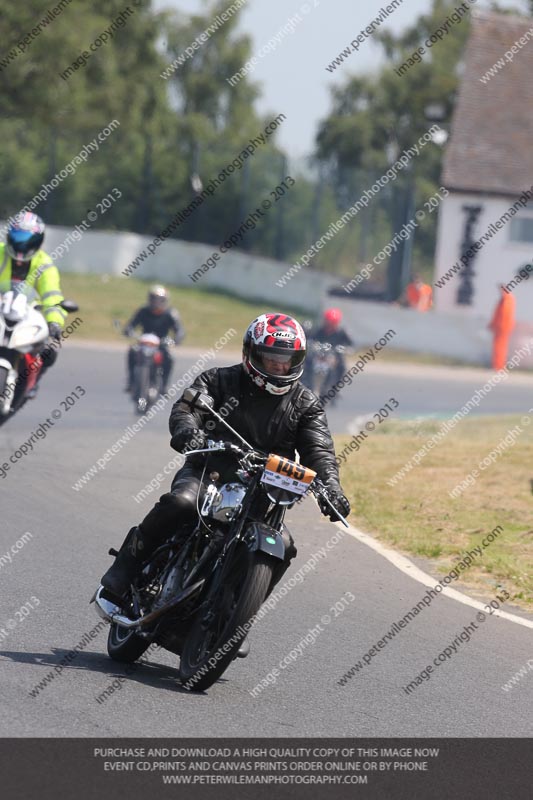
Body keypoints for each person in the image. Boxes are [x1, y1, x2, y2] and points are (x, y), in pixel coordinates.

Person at [101, 312, 351, 613]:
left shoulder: (306, 404)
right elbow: (188, 408)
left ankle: (237, 614)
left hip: (264, 492)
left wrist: (332, 488)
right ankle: (124, 569)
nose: (279, 366)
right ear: (251, 353)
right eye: (271, 358)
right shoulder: (219, 380)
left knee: (284, 545)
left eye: (287, 359)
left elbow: (319, 450)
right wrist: (188, 432)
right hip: (210, 470)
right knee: (181, 502)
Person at [0, 211, 66, 395]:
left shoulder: (45, 264)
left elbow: (52, 296)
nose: (22, 246)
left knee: (50, 351)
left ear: (39, 241)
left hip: (27, 315)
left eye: (28, 241)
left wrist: (54, 322)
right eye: (17, 239)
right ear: (9, 237)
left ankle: (32, 382)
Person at [124, 285, 184, 393]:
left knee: (169, 358)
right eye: (153, 299)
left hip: (161, 344)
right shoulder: (143, 311)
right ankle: (131, 382)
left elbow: (179, 330)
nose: (156, 302)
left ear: (165, 300)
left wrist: (177, 339)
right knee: (132, 351)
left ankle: (164, 385)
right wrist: (128, 331)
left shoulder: (170, 313)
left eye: (159, 300)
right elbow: (131, 324)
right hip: (144, 342)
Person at [304, 307, 353, 387]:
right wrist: (311, 345)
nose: (329, 324)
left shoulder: (342, 333)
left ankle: (336, 385)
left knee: (342, 366)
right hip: (318, 355)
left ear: (336, 323)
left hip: (333, 356)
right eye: (328, 322)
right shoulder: (318, 330)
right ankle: (306, 382)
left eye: (332, 323)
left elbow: (350, 345)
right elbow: (310, 340)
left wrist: (344, 349)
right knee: (307, 360)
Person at [489, 285, 516, 370]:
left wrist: (500, 325)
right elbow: (497, 314)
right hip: (499, 327)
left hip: (503, 327)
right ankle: (497, 365)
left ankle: (499, 366)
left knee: (500, 347)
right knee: (497, 347)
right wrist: (492, 324)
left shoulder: (507, 300)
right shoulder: (503, 299)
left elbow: (505, 315)